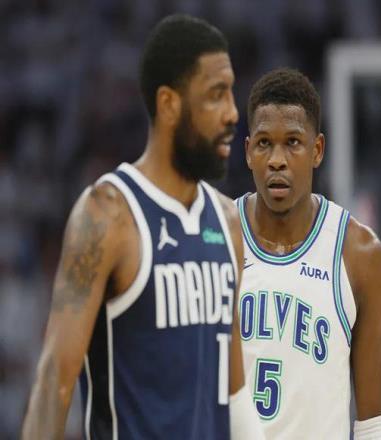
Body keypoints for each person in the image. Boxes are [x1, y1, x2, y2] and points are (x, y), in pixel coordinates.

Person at [22, 14, 262, 440]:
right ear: (169, 104)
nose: (232, 113)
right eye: (216, 95)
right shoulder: (107, 215)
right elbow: (55, 381)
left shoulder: (228, 222)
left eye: (231, 93)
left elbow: (235, 391)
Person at [236, 68, 381, 439]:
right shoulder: (215, 241)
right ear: (247, 152)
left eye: (292, 142)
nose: (277, 159)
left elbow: (377, 423)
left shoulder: (359, 254)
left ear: (318, 150)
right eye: (264, 143)